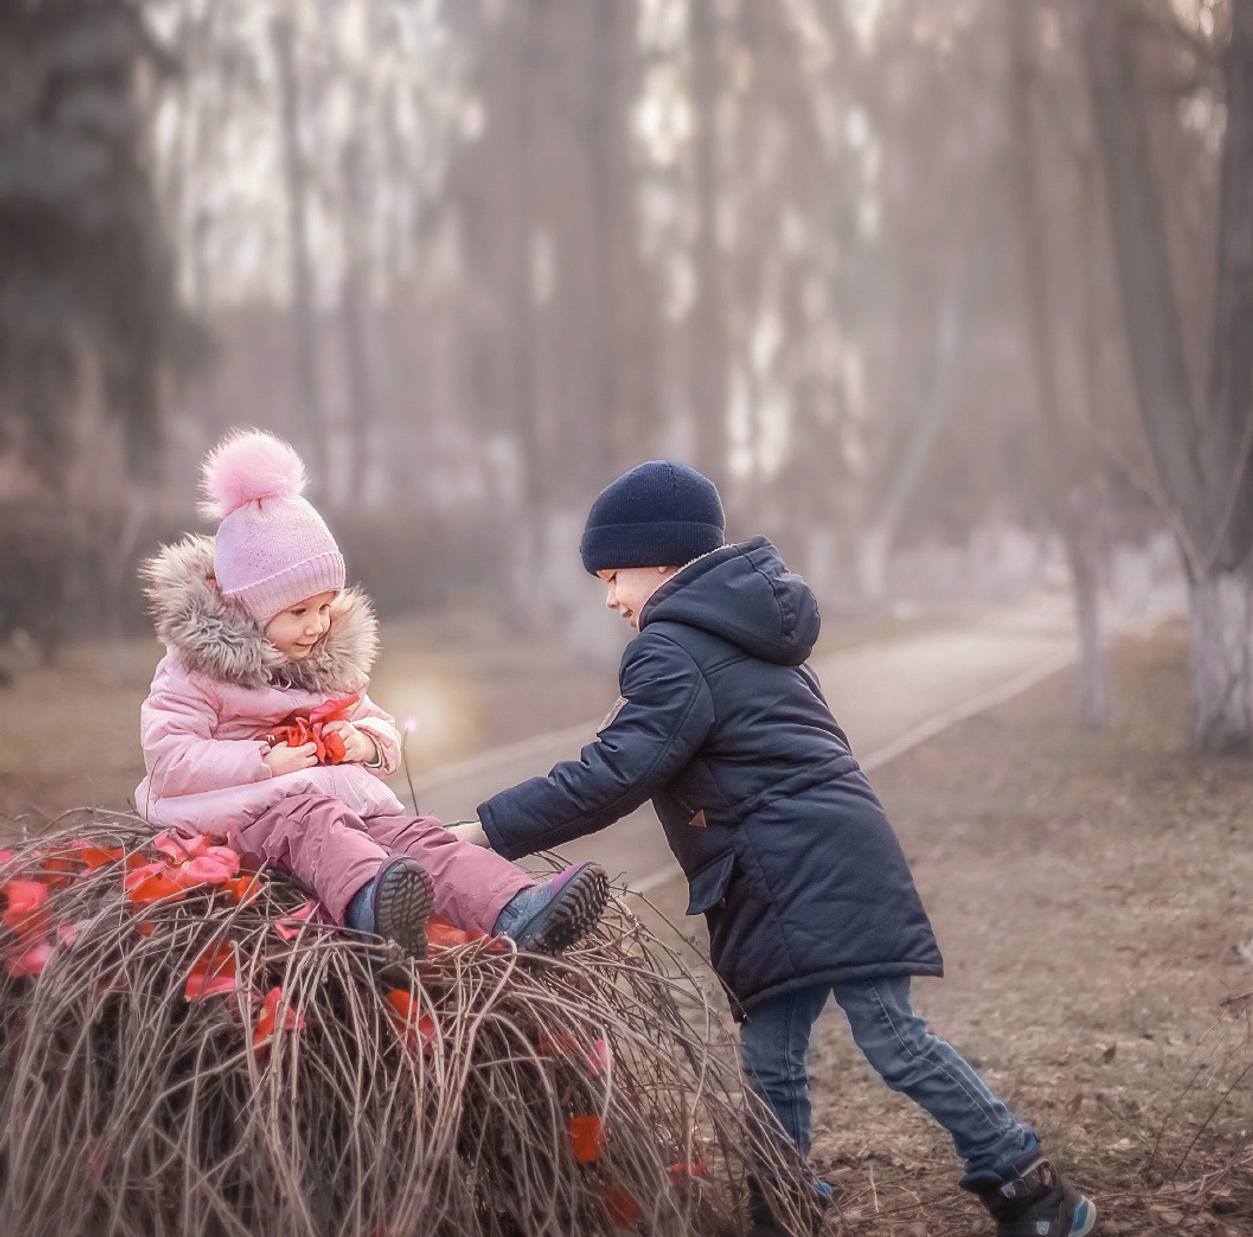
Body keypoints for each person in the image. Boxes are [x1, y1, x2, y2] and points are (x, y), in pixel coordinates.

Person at [451, 461, 1096, 1237]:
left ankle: (1032, 1194)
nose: (611, 598)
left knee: (890, 1039)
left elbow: (615, 771)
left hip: (797, 867)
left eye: (612, 575)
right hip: (809, 860)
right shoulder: (745, 626)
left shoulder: (674, 647)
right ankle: (785, 1210)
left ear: (658, 559)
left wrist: (485, 832)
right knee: (772, 1052)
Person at [135, 429, 606, 960]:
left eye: (325, 607)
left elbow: (377, 722)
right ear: (248, 609)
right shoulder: (197, 673)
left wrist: (363, 742)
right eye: (297, 613)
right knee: (313, 824)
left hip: (345, 800)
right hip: (247, 815)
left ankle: (517, 909)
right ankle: (370, 907)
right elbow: (170, 757)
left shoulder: (324, 662)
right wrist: (265, 759)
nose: (316, 626)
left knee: (418, 838)